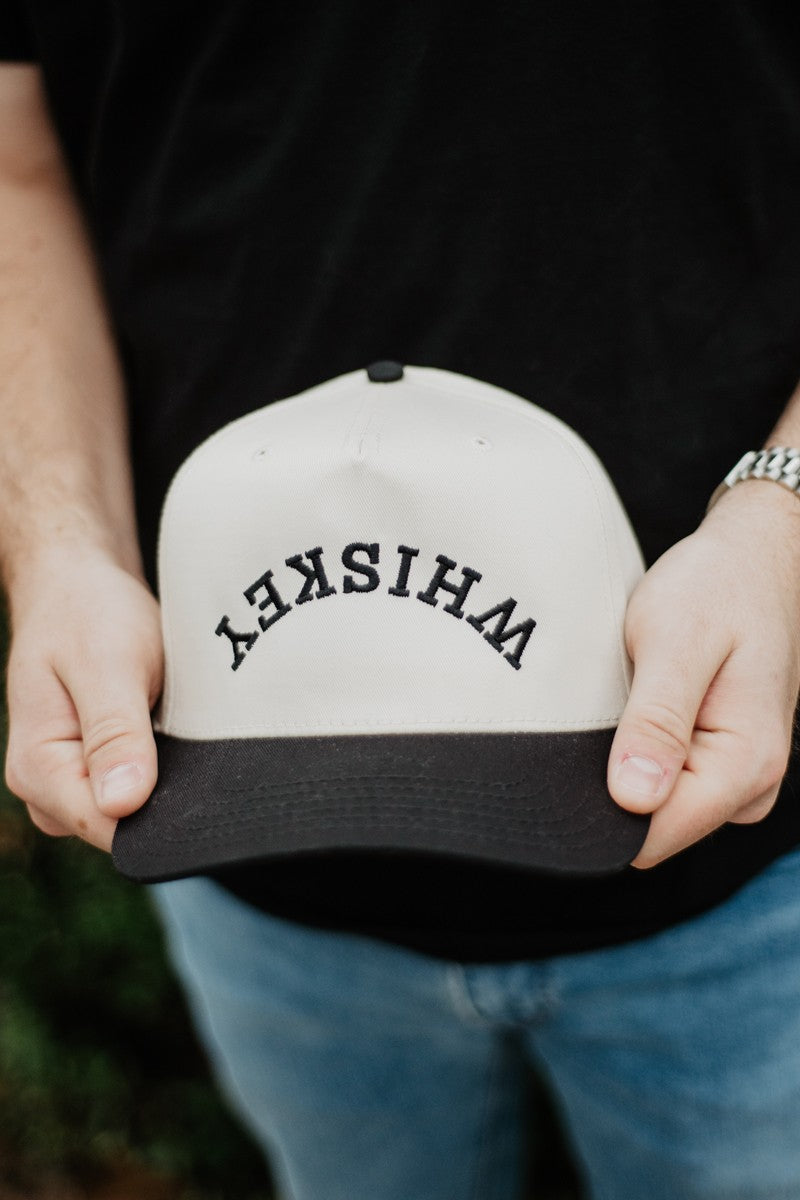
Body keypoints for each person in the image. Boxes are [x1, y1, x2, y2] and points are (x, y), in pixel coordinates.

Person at [2, 5, 800, 1198]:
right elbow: (16, 160)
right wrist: (62, 544)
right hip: (238, 830)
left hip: (743, 870)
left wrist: (784, 513)